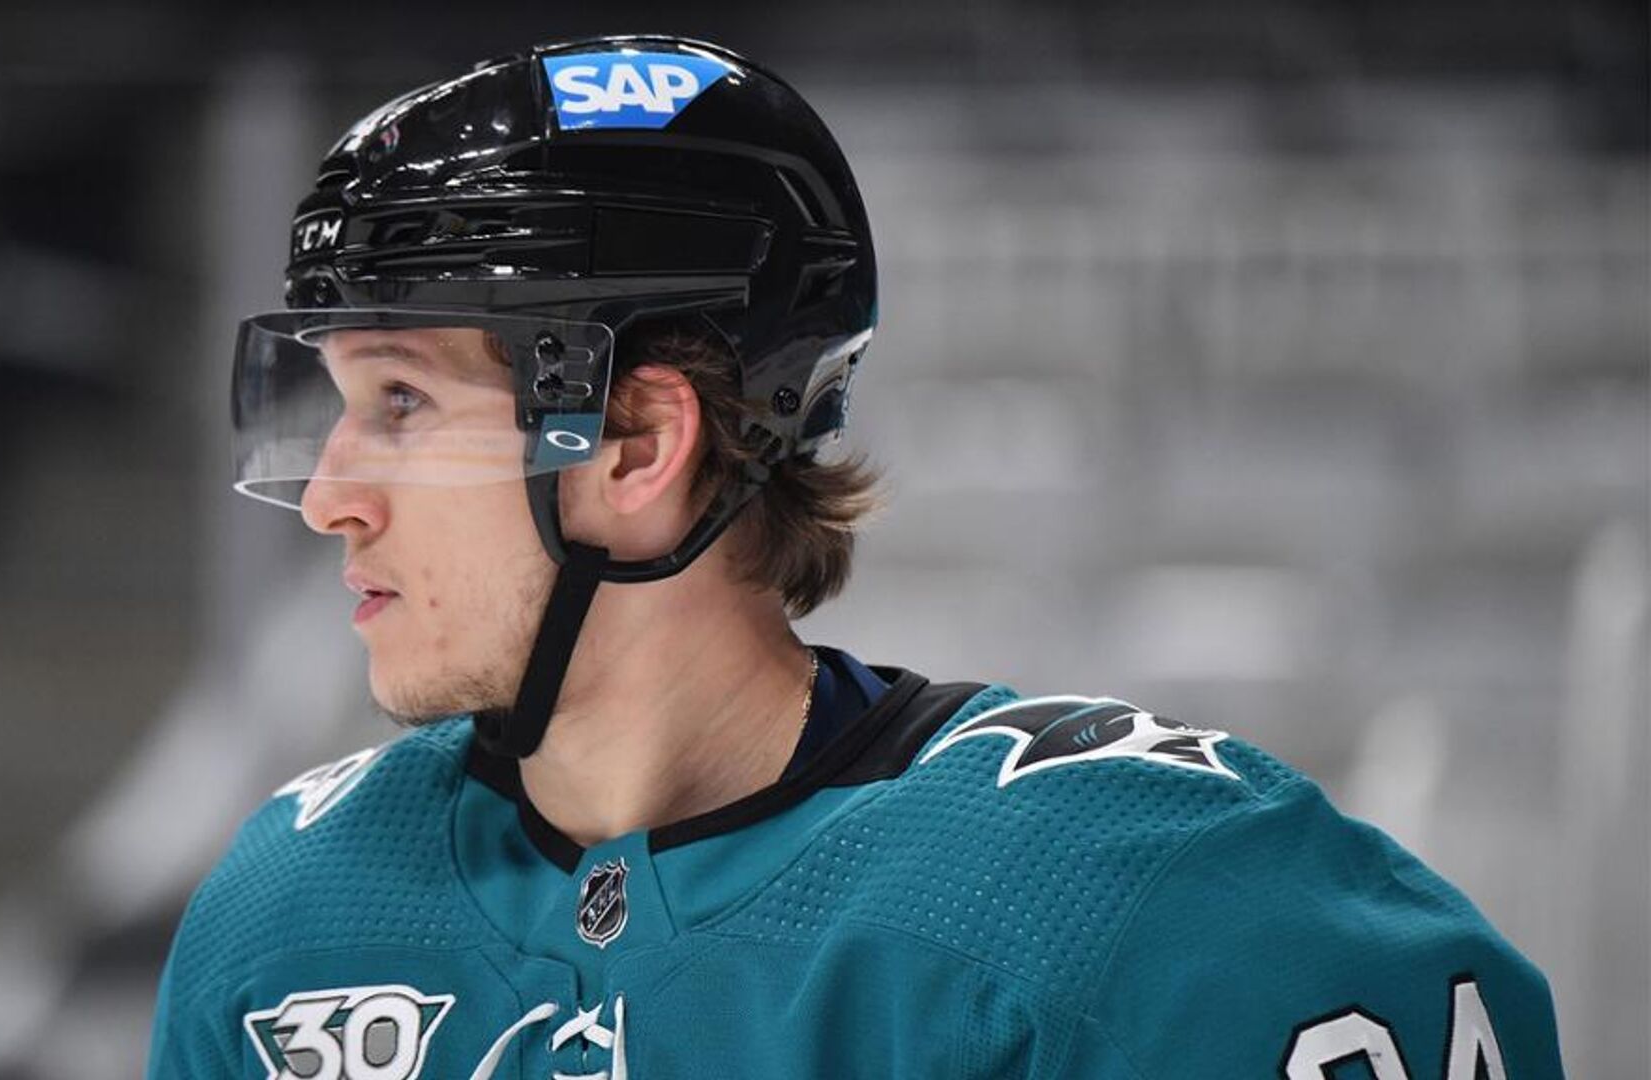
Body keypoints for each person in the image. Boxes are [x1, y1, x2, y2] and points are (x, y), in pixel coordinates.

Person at [148, 35, 1564, 1079]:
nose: (330, 497)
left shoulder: (1134, 901)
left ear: (637, 444)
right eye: (336, 408)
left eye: (402, 403)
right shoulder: (290, 911)